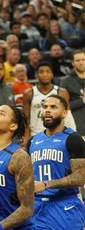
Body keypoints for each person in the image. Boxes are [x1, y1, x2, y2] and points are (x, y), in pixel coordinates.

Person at [27, 95, 85, 230]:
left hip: (64, 205)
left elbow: (80, 178)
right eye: (45, 107)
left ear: (64, 113)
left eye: (53, 107)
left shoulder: (73, 139)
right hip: (37, 206)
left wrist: (47, 185)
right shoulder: (33, 141)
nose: (47, 110)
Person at [22, 63, 77, 140]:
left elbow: (67, 116)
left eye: (48, 72)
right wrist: (26, 138)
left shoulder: (62, 92)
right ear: (36, 75)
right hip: (35, 134)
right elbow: (26, 119)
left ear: (52, 75)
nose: (45, 74)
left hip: (58, 134)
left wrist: (73, 135)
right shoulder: (28, 93)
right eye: (41, 72)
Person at [60, 50, 85, 136]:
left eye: (83, 59)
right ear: (73, 63)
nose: (81, 63)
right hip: (78, 128)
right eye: (78, 60)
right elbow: (62, 107)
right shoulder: (66, 81)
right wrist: (82, 101)